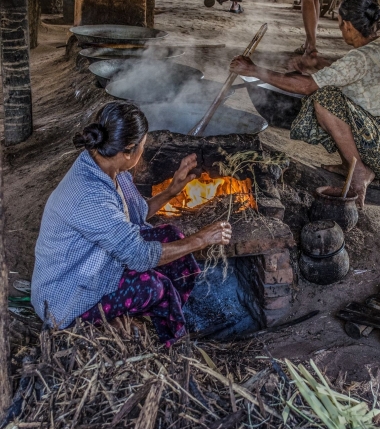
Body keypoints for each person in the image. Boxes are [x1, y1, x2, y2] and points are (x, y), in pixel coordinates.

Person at [31, 103, 232, 346]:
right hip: (67, 298)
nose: (142, 153)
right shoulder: (90, 194)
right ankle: (173, 346)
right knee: (156, 288)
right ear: (128, 151)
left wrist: (171, 191)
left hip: (92, 263)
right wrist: (201, 239)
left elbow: (137, 214)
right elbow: (139, 256)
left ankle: (170, 314)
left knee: (171, 236)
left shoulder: (108, 167)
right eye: (143, 147)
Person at [230, 0, 380, 207]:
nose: (340, 28)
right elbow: (348, 75)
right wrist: (318, 63)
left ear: (349, 25)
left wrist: (253, 70)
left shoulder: (359, 57)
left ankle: (359, 170)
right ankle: (349, 164)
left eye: (340, 24)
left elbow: (307, 86)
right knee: (334, 95)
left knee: (324, 99)